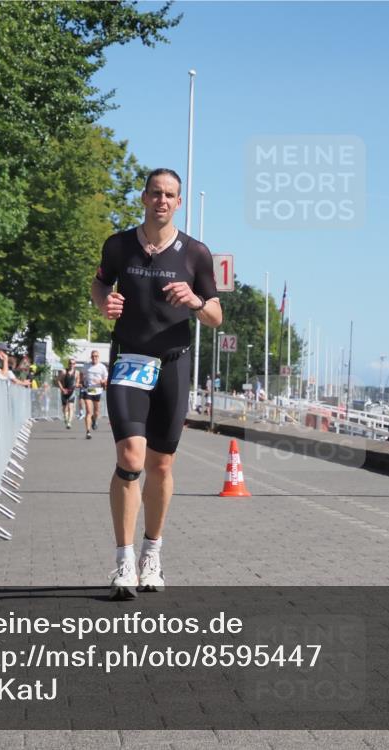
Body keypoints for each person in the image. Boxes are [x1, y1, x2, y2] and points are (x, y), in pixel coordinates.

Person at [91, 168, 221, 599]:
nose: (162, 201)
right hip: (129, 360)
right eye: (155, 194)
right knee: (131, 456)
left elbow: (216, 316)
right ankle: (124, 560)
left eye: (170, 195)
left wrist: (196, 301)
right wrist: (103, 303)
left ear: (178, 202)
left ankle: (152, 553)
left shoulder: (196, 254)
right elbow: (99, 283)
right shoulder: (119, 245)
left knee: (161, 465)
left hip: (173, 364)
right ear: (143, 198)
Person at [80, 350, 109, 440]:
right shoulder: (86, 366)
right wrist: (82, 381)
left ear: (98, 357)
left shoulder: (102, 367)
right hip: (88, 390)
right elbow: (81, 373)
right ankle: (88, 432)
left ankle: (94, 420)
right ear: (91, 357)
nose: (94, 358)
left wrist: (101, 381)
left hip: (97, 391)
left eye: (96, 356)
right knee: (89, 411)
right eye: (93, 356)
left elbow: (106, 378)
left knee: (96, 412)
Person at [57, 359, 81, 429]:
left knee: (71, 407)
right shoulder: (64, 371)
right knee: (65, 408)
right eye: (70, 363)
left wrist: (77, 384)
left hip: (72, 392)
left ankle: (69, 422)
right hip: (64, 391)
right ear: (68, 364)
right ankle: (65, 418)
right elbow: (58, 380)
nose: (71, 365)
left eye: (73, 363)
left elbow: (77, 380)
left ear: (75, 364)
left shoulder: (77, 372)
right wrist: (62, 389)